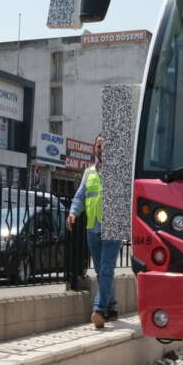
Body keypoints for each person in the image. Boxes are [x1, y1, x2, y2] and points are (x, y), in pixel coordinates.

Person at [66, 133, 118, 329]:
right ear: (94, 150)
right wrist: (73, 213)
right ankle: (112, 308)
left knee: (106, 270)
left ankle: (99, 310)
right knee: (100, 271)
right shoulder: (88, 173)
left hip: (112, 227)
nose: (102, 148)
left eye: (106, 145)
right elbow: (80, 196)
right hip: (92, 227)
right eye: (99, 145)